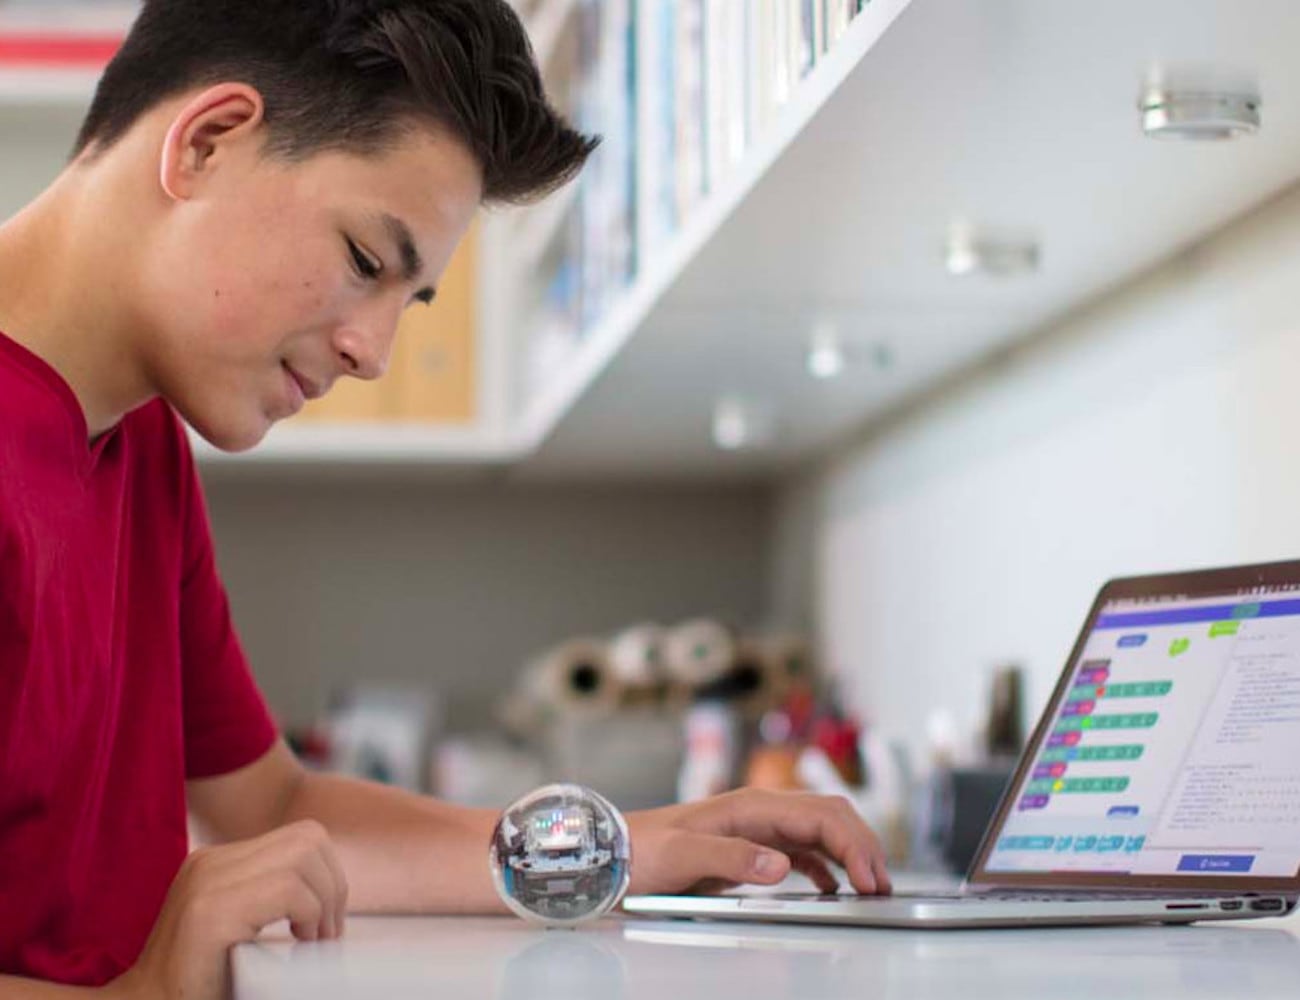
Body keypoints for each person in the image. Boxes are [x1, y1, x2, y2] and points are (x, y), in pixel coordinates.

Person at [0, 1, 891, 996]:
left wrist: (621, 844)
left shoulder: (142, 440)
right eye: (365, 261)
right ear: (208, 142)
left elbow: (275, 804)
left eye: (404, 301)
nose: (371, 353)